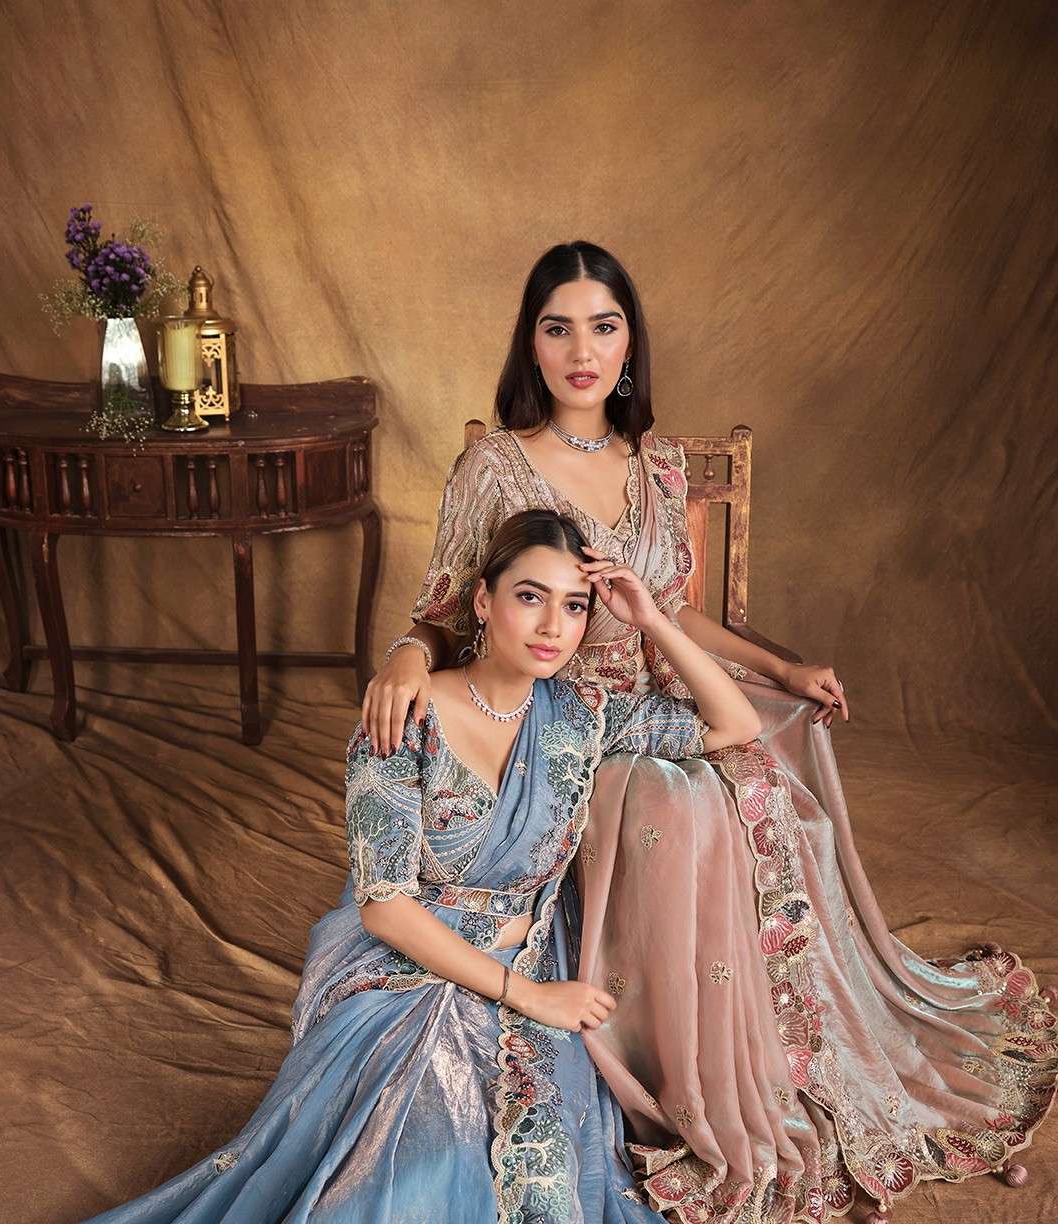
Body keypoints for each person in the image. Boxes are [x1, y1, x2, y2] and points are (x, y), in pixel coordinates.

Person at [362, 241, 1057, 1223]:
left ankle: (781, 1053)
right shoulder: (492, 466)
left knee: (772, 754)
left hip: (661, 691)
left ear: (628, 344)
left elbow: (675, 610)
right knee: (674, 805)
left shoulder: (657, 465)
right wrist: (403, 653)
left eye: (603, 327)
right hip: (560, 722)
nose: (581, 352)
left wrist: (780, 667)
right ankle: (683, 1076)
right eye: (557, 328)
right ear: (530, 343)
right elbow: (445, 609)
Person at [80, 509, 759, 1224]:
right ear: (482, 601)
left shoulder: (583, 715)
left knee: (532, 1176)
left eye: (574, 605)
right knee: (417, 1148)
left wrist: (651, 620)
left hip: (535, 956)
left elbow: (734, 723)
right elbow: (384, 907)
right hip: (408, 964)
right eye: (530, 596)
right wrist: (528, 997)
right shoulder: (407, 713)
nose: (552, 626)